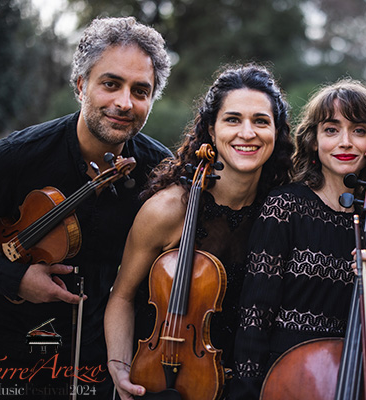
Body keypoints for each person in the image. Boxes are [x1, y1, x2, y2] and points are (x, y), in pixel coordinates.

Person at [0, 16, 172, 399]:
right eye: (110, 84)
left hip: (94, 357)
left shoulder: (160, 172)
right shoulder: (15, 157)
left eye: (140, 91)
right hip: (2, 352)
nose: (124, 103)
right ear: (81, 86)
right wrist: (13, 277)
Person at [104, 63, 294, 399]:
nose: (247, 133)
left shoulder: (279, 212)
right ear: (211, 128)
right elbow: (121, 297)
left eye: (261, 121)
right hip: (164, 382)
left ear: (276, 132)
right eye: (233, 119)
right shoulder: (168, 210)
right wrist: (119, 365)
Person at [230, 78, 366, 399]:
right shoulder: (285, 207)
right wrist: (247, 392)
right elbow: (254, 317)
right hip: (283, 382)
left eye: (358, 131)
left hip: (341, 382)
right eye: (332, 130)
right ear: (314, 141)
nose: (345, 142)